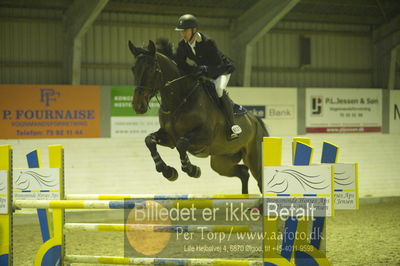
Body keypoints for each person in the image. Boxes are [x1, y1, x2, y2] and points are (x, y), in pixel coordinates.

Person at [174, 14, 242, 140]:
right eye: (181, 31)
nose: (183, 34)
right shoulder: (183, 45)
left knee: (218, 90)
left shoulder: (208, 42)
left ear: (194, 30)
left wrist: (201, 70)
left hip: (221, 70)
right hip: (204, 72)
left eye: (185, 31)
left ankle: (232, 126)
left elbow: (217, 65)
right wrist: (191, 71)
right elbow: (180, 63)